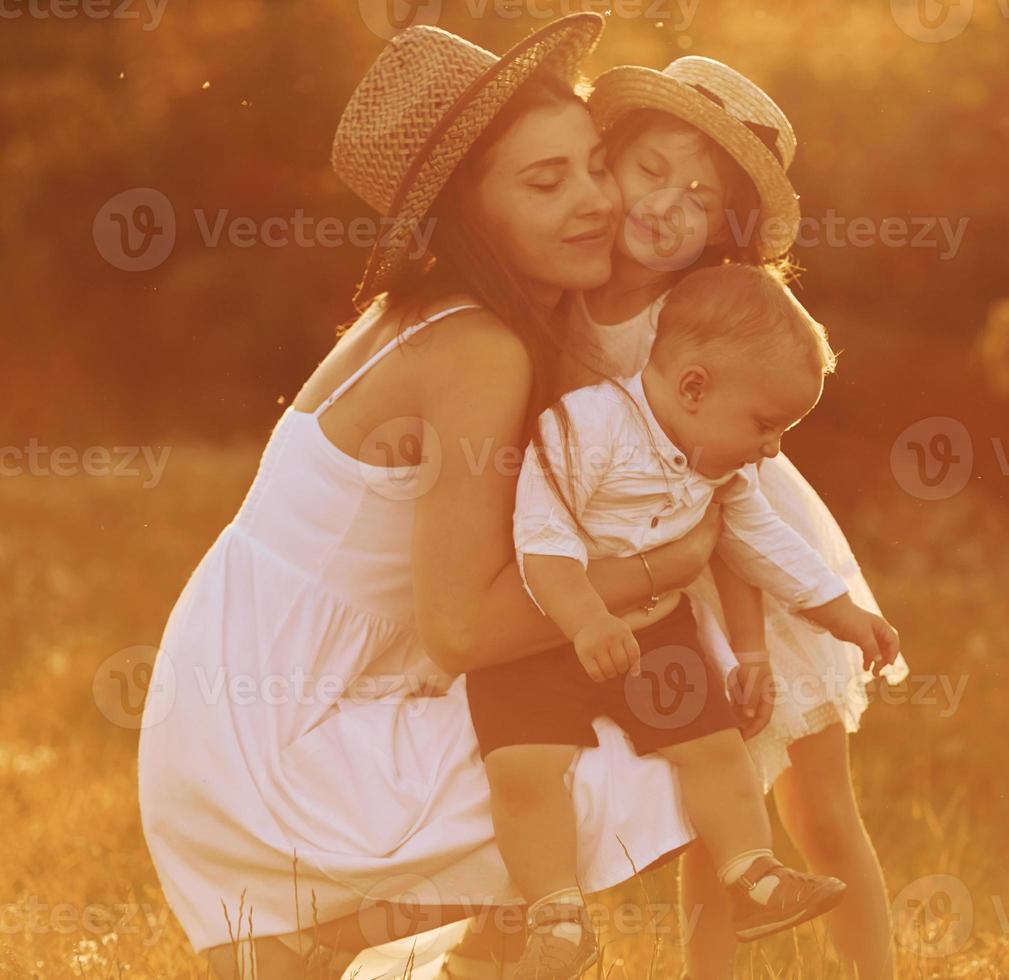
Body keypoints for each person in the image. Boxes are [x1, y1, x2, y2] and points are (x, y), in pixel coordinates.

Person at [135, 16, 726, 979]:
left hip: (227, 703)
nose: (595, 202)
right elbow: (457, 630)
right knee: (642, 745)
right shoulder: (476, 350)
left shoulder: (433, 309)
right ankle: (309, 937)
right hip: (279, 738)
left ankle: (334, 946)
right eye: (544, 183)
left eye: (590, 165)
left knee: (589, 741)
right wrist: (666, 571)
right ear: (467, 216)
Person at [563, 56, 913, 979]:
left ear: (723, 231)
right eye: (651, 169)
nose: (666, 204)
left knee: (819, 807)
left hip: (750, 545)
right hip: (646, 560)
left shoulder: (704, 313)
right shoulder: (563, 292)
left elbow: (734, 507)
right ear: (609, 156)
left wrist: (752, 646)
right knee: (712, 819)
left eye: (699, 196)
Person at [471, 264, 901, 978]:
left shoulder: (722, 467)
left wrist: (843, 613)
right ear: (695, 388)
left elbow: (766, 544)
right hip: (553, 627)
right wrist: (584, 622)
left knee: (719, 749)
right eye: (766, 426)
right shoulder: (584, 428)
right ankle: (556, 916)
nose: (773, 450)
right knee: (523, 768)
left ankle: (753, 875)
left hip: (654, 629)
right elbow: (540, 544)